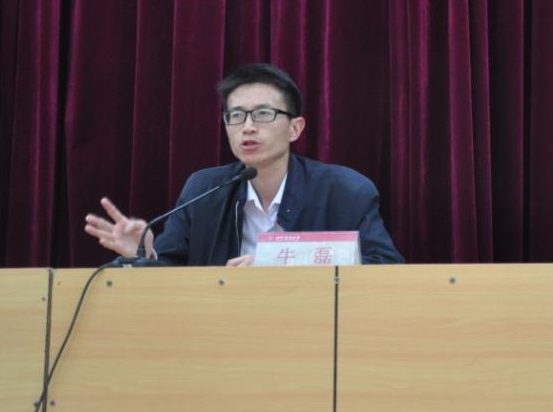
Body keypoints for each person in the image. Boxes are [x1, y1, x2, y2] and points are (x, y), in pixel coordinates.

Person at [85, 63, 404, 265]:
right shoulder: (204, 189)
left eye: (263, 114)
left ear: (295, 128)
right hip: (223, 331)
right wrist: (144, 255)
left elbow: (385, 267)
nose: (248, 127)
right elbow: (172, 271)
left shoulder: (345, 191)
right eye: (236, 116)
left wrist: (276, 267)